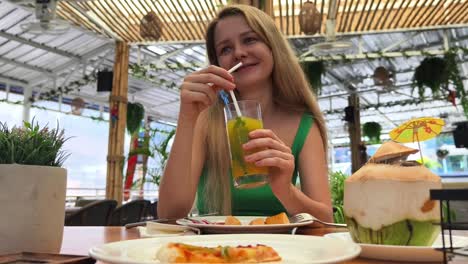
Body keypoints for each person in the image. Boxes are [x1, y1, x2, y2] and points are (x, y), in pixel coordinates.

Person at [158, 4, 333, 222]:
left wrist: (285, 190)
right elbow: (169, 214)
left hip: (283, 252)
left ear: (273, 47)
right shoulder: (206, 119)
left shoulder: (304, 124)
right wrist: (186, 117)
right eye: (225, 49)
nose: (239, 52)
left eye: (250, 39)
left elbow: (326, 221)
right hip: (212, 250)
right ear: (218, 63)